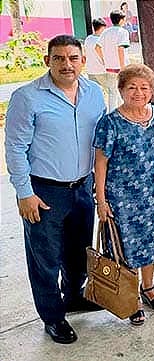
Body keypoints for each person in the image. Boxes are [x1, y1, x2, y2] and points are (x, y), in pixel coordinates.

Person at [5, 35, 106, 344]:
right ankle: (52, 316)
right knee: (45, 257)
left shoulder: (94, 93)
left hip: (82, 187)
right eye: (59, 58)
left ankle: (73, 297)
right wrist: (24, 192)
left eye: (73, 58)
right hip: (44, 191)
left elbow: (102, 140)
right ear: (47, 60)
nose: (67, 64)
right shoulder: (27, 97)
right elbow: (14, 149)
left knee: (78, 252)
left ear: (82, 61)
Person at [93, 64, 154, 325]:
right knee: (125, 248)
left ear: (152, 90)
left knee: (152, 243)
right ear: (122, 90)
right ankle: (131, 299)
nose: (138, 92)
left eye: (144, 88)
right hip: (122, 198)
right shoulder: (111, 122)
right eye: (132, 88)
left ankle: (148, 288)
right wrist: (101, 201)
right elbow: (100, 162)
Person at [95, 9, 130, 110]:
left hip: (109, 67)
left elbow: (97, 48)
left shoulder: (105, 32)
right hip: (120, 68)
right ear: (121, 20)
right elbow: (120, 48)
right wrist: (123, 66)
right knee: (123, 92)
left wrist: (104, 60)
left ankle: (111, 113)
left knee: (112, 93)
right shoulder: (123, 32)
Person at [85, 18, 109, 106]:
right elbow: (102, 54)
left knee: (95, 92)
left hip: (90, 69)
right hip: (100, 70)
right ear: (102, 28)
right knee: (111, 90)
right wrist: (105, 63)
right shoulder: (100, 40)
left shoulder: (88, 39)